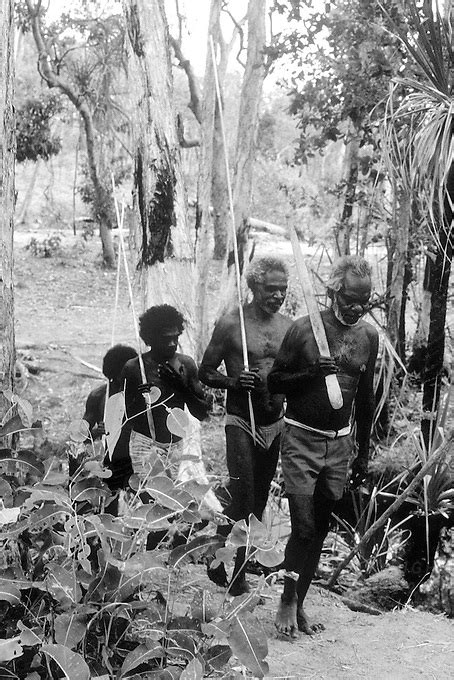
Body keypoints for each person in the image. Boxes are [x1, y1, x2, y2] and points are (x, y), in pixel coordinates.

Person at [268, 255, 378, 638]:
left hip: (340, 444)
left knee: (320, 528)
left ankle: (299, 602)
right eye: (349, 298)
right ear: (333, 291)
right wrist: (310, 374)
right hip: (301, 438)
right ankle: (285, 598)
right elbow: (275, 381)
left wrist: (362, 451)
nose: (355, 307)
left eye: (364, 301)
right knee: (302, 525)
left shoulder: (368, 337)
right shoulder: (303, 330)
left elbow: (364, 399)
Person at [199, 255, 291, 596]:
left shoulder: (289, 327)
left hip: (273, 423)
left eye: (283, 289)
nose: (278, 295)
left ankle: (221, 552)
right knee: (244, 492)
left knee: (260, 499)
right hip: (241, 420)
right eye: (271, 289)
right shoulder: (231, 323)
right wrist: (235, 383)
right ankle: (236, 573)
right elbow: (205, 371)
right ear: (254, 286)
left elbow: (292, 375)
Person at [116, 304, 211, 482]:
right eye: (165, 339)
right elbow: (124, 417)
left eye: (175, 338)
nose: (172, 344)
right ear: (150, 338)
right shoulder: (135, 368)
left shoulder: (186, 365)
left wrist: (181, 386)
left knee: (166, 499)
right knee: (150, 495)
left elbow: (202, 413)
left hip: (175, 446)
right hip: (144, 443)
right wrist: (139, 398)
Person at [81, 344, 138, 490]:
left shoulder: (140, 396)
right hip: (109, 464)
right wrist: (97, 432)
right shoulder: (98, 396)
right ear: (112, 373)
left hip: (137, 462)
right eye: (121, 374)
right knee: (109, 505)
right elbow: (81, 436)